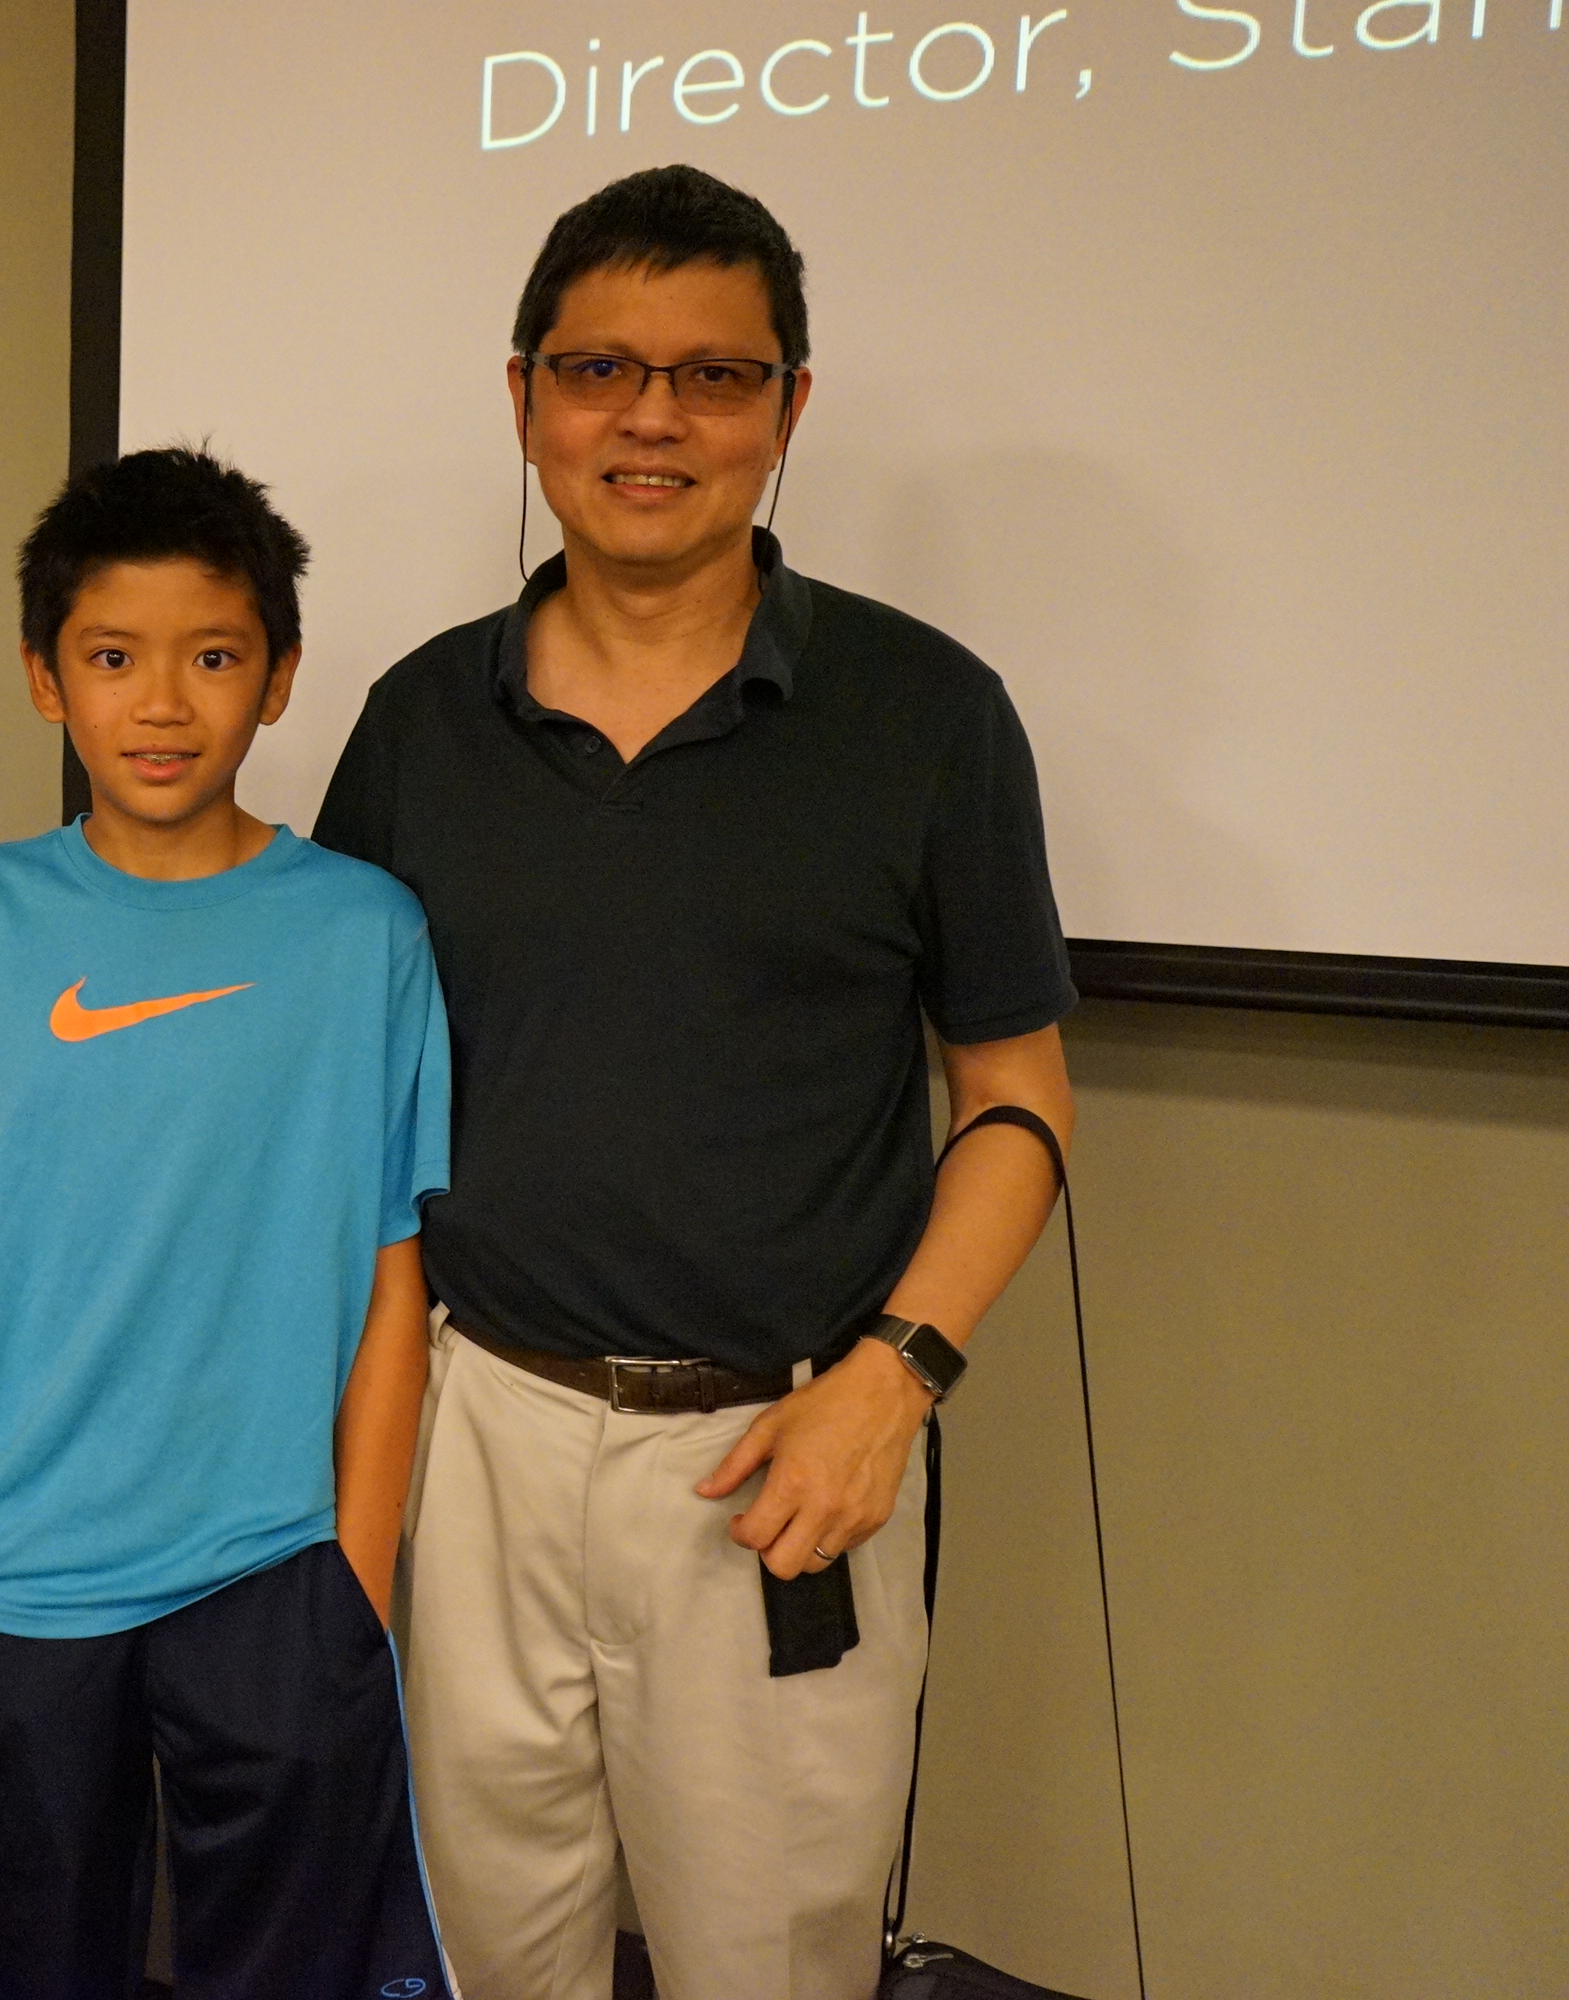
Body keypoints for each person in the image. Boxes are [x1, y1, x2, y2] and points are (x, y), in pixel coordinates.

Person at [314, 166, 1079, 2000]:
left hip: (782, 1456)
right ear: (525, 400)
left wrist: (896, 1381)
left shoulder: (928, 715)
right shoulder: (420, 720)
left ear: (788, 409)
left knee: (770, 1964)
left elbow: (1019, 1099)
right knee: (492, 1956)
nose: (651, 418)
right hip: (479, 1436)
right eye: (600, 370)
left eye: (714, 377)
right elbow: (332, 1103)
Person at [0, 448, 456, 1999]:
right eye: (112, 657)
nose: (161, 703)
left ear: (279, 677)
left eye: (211, 658)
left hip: (276, 1568)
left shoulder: (364, 931)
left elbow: (392, 1271)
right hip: (24, 1559)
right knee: (32, 1963)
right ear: (44, 678)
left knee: (287, 1967)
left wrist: (358, 1568)